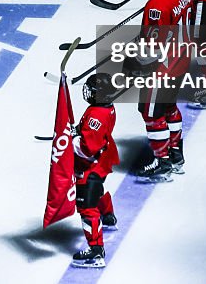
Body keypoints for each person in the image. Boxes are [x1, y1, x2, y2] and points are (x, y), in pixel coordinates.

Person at [130, 0, 194, 182]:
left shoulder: (155, 7)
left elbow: (151, 46)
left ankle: (163, 160)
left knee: (149, 111)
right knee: (168, 106)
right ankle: (176, 156)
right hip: (182, 60)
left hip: (163, 67)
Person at [71, 72, 120, 269]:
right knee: (97, 189)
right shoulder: (105, 108)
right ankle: (108, 217)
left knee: (86, 206)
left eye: (91, 90)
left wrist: (70, 140)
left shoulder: (96, 115)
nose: (87, 92)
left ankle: (96, 251)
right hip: (103, 160)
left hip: (91, 165)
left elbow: (86, 149)